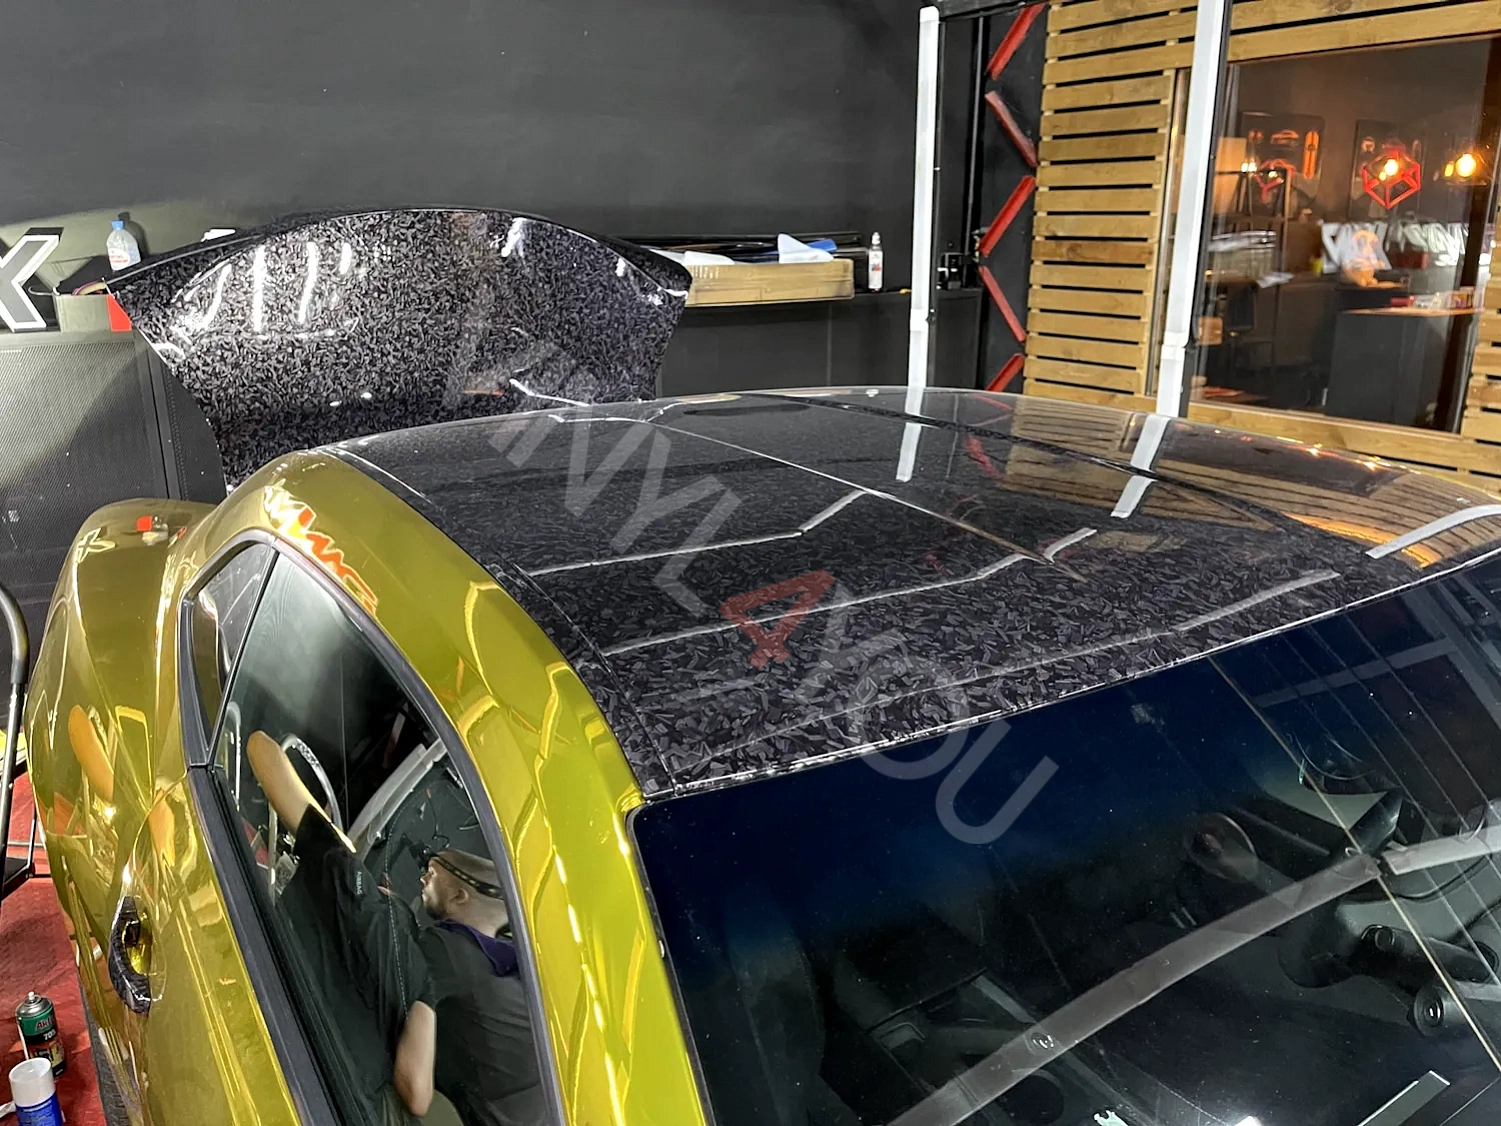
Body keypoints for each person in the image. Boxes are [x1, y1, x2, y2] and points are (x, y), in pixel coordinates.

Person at [247, 729, 438, 1124]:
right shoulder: (421, 980)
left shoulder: (347, 879)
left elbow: (260, 750)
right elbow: (417, 1092)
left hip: (263, 1025)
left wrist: (335, 840)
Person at [417, 849, 546, 1125]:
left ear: (459, 896)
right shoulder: (517, 970)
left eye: (432, 872)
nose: (423, 878)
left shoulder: (450, 950)